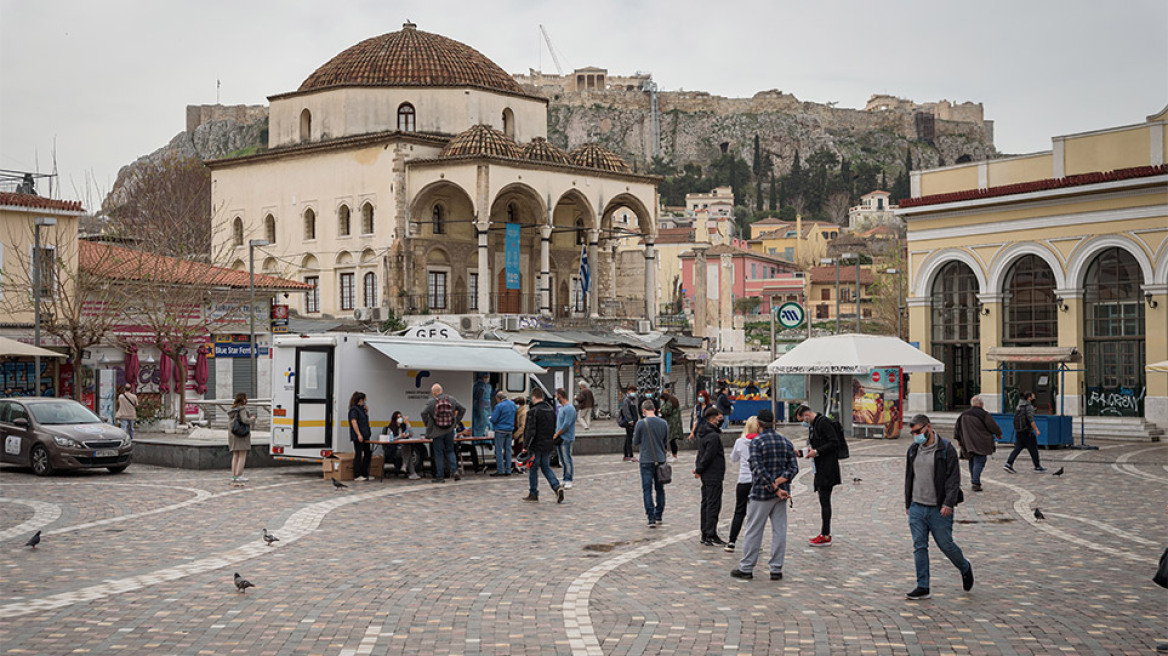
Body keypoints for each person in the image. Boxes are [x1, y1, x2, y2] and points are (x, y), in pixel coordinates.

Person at [904, 414, 974, 600]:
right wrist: (908, 504)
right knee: (919, 546)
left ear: (928, 427)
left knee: (945, 545)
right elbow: (909, 478)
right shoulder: (913, 449)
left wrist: (948, 503)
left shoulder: (945, 449)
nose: (916, 435)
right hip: (917, 506)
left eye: (918, 431)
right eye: (913, 432)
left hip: (938, 508)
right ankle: (923, 586)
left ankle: (965, 567)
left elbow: (953, 479)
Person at [731, 408, 798, 581]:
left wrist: (773, 486)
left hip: (761, 493)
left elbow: (758, 469)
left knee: (754, 530)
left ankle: (746, 567)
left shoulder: (757, 443)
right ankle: (776, 568)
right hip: (782, 494)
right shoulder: (786, 442)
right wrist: (780, 484)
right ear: (773, 423)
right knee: (779, 531)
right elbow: (793, 468)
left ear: (759, 424)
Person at [793, 405, 842, 548]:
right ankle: (824, 533)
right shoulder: (813, 426)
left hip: (827, 468)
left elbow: (834, 442)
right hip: (819, 467)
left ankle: (825, 535)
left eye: (803, 419)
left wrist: (817, 452)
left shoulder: (823, 422)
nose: (804, 423)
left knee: (825, 501)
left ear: (807, 414)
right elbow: (815, 446)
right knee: (823, 500)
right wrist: (802, 453)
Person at [521, 388, 564, 503]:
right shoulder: (550, 410)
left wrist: (525, 446)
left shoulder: (533, 411)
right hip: (548, 444)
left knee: (533, 468)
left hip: (535, 445)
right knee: (545, 467)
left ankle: (533, 492)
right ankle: (556, 486)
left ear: (533, 397)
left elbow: (530, 431)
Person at [632, 399, 669, 527]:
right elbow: (665, 441)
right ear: (654, 409)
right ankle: (659, 514)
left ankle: (651, 517)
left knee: (647, 489)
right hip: (660, 459)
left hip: (646, 460)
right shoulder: (663, 423)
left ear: (643, 410)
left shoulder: (641, 424)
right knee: (660, 489)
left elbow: (635, 441)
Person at [725, 416, 759, 552]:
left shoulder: (740, 442)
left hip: (743, 480)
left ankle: (732, 540)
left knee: (739, 511)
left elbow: (733, 458)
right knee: (755, 513)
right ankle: (754, 542)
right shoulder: (761, 441)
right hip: (757, 480)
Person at [694, 405, 727, 546]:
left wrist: (699, 468)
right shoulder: (713, 436)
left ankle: (706, 532)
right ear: (713, 419)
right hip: (713, 474)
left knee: (706, 503)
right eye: (719, 416)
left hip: (707, 474)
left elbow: (700, 453)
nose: (721, 418)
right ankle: (709, 533)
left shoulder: (704, 433)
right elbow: (708, 455)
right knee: (713, 504)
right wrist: (699, 468)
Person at [954, 395, 1001, 491]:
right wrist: (998, 433)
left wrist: (959, 440)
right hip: (981, 442)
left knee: (972, 461)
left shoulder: (963, 414)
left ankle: (974, 479)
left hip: (967, 442)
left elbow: (957, 428)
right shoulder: (983, 414)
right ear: (980, 404)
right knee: (979, 461)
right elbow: (993, 426)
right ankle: (975, 481)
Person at [422, 383, 466, 483]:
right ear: (441, 390)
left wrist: (428, 423)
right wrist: (456, 421)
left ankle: (440, 477)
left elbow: (423, 413)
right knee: (450, 451)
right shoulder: (452, 399)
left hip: (437, 432)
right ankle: (455, 471)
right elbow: (463, 409)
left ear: (434, 393)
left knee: (439, 454)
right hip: (450, 430)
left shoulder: (431, 402)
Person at [1005, 391, 1046, 473]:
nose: (1034, 398)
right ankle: (1037, 466)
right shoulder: (1029, 407)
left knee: (1018, 448)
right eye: (1033, 396)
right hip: (1027, 431)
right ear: (1029, 398)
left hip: (1019, 430)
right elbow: (1031, 420)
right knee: (1033, 448)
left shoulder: (1019, 405)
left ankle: (1008, 464)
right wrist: (1037, 430)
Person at [226, 393, 254, 483]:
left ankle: (234, 475)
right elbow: (245, 420)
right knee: (242, 455)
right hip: (241, 435)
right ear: (243, 399)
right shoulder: (242, 409)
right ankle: (239, 475)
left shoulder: (233, 410)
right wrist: (252, 419)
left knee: (235, 455)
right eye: (246, 398)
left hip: (233, 435)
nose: (247, 400)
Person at [489, 392, 517, 477]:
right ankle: (508, 470)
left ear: (498, 399)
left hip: (500, 430)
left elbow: (494, 419)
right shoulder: (513, 405)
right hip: (509, 430)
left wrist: (490, 418)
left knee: (499, 451)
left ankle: (500, 470)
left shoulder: (499, 406)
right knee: (508, 450)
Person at [553, 388, 577, 489]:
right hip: (560, 437)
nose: (555, 398)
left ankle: (569, 479)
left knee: (567, 459)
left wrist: (557, 433)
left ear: (560, 396)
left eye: (556, 395)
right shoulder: (562, 408)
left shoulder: (569, 408)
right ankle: (564, 477)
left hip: (566, 438)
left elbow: (566, 424)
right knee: (562, 460)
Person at [348, 392, 373, 481]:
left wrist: (367, 412)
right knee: (358, 454)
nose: (365, 402)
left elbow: (365, 421)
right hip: (359, 436)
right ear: (360, 400)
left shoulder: (362, 410)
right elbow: (354, 422)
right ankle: (357, 474)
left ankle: (364, 472)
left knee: (368, 453)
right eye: (364, 400)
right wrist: (358, 434)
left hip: (365, 435)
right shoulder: (354, 410)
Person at [386, 411, 418, 479]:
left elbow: (411, 434)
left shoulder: (403, 426)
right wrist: (400, 436)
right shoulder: (391, 427)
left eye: (400, 417)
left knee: (406, 447)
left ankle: (406, 467)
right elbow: (390, 439)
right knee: (407, 451)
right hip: (395, 449)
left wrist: (408, 423)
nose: (400, 418)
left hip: (404, 447)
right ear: (394, 419)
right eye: (398, 417)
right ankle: (409, 470)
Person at [658, 391, 683, 461]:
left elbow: (667, 411)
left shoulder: (669, 402)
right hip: (675, 424)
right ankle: (673, 455)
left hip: (671, 424)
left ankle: (673, 455)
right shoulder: (674, 400)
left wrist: (661, 410)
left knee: (670, 439)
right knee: (672, 440)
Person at [617, 385, 640, 462]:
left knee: (628, 438)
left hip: (633, 421)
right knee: (629, 438)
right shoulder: (626, 400)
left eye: (634, 391)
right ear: (628, 391)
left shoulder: (632, 400)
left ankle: (626, 455)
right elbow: (626, 411)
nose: (633, 393)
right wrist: (630, 421)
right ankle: (630, 455)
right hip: (629, 422)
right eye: (632, 391)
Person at [472, 373, 492, 438]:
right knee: (480, 423)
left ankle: (487, 438)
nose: (487, 378)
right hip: (480, 406)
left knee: (487, 422)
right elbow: (478, 396)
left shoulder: (488, 386)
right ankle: (479, 438)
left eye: (488, 377)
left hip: (486, 407)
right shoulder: (478, 386)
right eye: (485, 377)